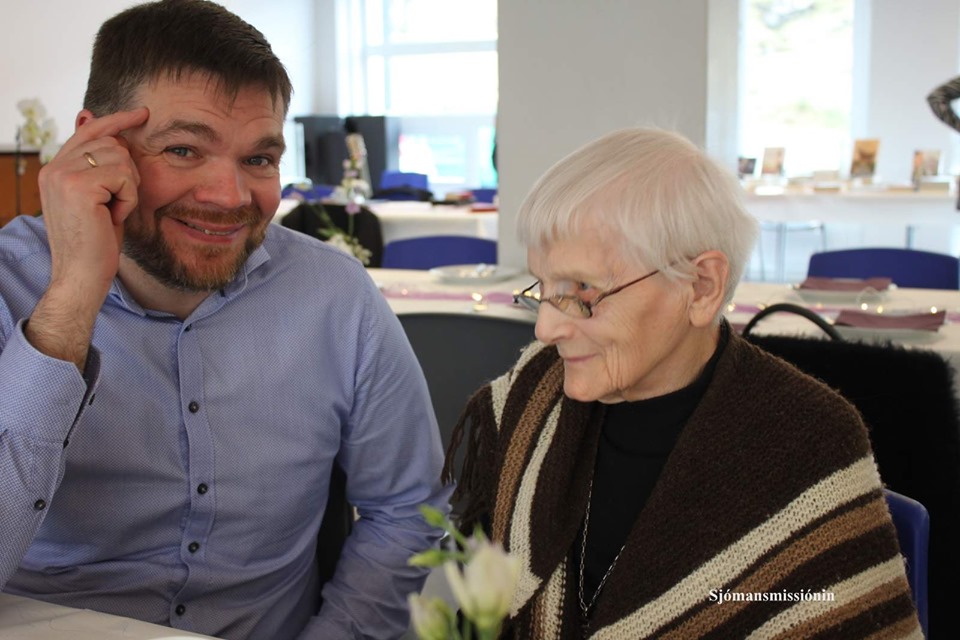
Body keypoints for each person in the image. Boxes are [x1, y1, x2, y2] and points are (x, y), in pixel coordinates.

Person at [0, 1, 450, 639]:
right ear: (93, 144)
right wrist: (71, 299)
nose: (230, 197)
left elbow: (407, 511)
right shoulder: (9, 284)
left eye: (259, 160)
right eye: (184, 149)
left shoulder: (337, 297)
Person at [444, 128, 921, 638]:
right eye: (544, 286)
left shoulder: (808, 439)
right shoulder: (531, 399)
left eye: (582, 289)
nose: (545, 328)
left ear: (701, 287)